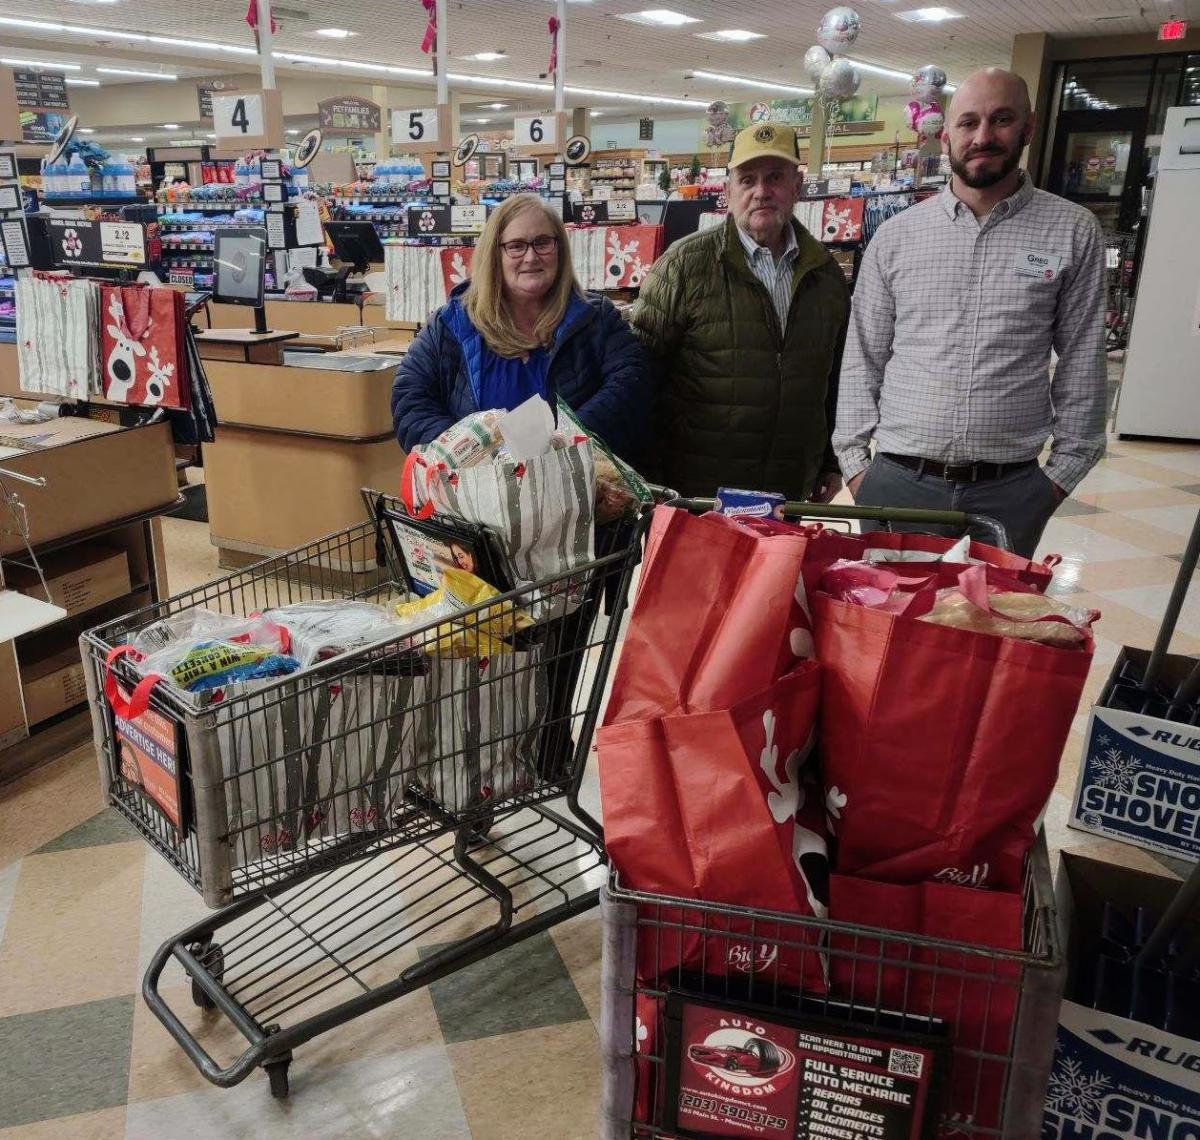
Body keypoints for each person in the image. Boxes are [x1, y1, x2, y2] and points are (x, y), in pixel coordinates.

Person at [834, 67, 1107, 557]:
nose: (983, 137)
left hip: (1011, 492)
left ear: (1028, 128)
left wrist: (1055, 482)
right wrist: (858, 470)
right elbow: (862, 357)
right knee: (886, 628)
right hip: (897, 485)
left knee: (988, 627)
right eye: (968, 122)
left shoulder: (1072, 231)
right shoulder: (896, 237)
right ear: (945, 136)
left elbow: (1083, 362)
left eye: (1001, 120)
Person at [632, 123, 851, 502]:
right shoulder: (684, 265)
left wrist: (831, 462)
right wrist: (648, 475)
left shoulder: (825, 274)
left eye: (775, 178)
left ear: (796, 187)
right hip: (698, 490)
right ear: (728, 191)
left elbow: (835, 383)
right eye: (747, 179)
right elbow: (642, 372)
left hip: (788, 487)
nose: (761, 192)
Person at [393, 193, 648, 461]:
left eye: (542, 243)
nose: (531, 256)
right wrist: (474, 456)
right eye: (516, 246)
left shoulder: (596, 318)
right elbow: (410, 404)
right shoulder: (448, 325)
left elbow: (631, 387)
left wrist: (564, 445)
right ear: (494, 254)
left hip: (580, 489)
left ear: (559, 249)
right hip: (478, 493)